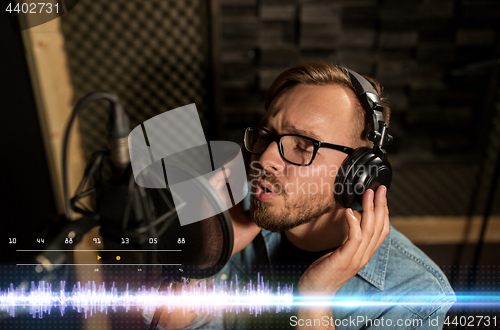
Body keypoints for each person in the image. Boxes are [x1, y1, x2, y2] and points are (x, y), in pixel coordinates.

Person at [153, 61, 456, 329]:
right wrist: (206, 255)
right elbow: (168, 322)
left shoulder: (413, 295)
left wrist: (315, 301)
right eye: (267, 135)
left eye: (302, 144)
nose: (266, 157)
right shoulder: (227, 216)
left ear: (358, 173)